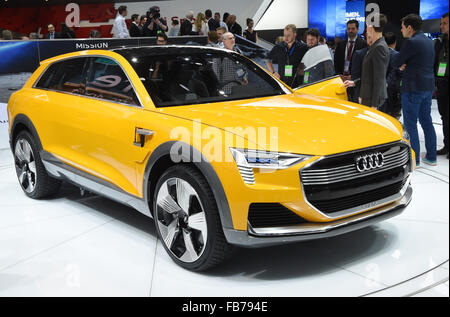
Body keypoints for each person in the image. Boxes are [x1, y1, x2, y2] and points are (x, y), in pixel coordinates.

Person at [394, 14, 437, 166]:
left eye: (402, 27)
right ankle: (432, 157)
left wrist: (402, 65)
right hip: (428, 87)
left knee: (410, 124)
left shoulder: (411, 42)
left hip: (412, 87)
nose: (401, 30)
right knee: (426, 121)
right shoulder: (428, 41)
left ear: (409, 28)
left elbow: (397, 61)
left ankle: (415, 159)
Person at [334, 20, 367, 102]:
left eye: (353, 28)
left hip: (355, 81)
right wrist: (339, 75)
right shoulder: (341, 44)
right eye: (348, 29)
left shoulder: (363, 44)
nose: (350, 31)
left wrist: (353, 76)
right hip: (342, 80)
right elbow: (336, 61)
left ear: (358, 29)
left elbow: (364, 64)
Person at [435, 12, 449, 158]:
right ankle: (447, 145)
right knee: (444, 116)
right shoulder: (440, 42)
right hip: (442, 84)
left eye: (445, 23)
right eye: (441, 23)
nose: (441, 26)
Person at [380, 32, 402, 117]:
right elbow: (395, 71)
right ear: (395, 42)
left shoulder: (379, 53)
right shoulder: (397, 55)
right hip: (392, 88)